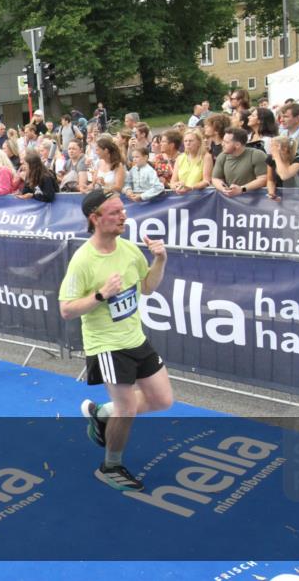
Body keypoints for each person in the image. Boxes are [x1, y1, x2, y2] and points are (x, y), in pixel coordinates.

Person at [60, 189, 173, 491]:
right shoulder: (83, 260)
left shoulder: (129, 250)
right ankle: (110, 466)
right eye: (114, 212)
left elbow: (148, 287)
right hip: (106, 345)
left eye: (122, 210)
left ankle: (102, 413)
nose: (123, 216)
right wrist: (100, 295)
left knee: (163, 400)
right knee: (127, 409)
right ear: (95, 218)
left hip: (135, 338)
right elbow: (67, 309)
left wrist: (159, 259)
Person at [211, 128, 268, 196]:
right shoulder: (222, 156)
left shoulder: (257, 155)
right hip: (230, 200)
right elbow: (216, 178)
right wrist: (224, 189)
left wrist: (242, 189)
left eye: (226, 142)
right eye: (223, 141)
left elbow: (264, 179)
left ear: (237, 145)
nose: (222, 144)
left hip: (254, 200)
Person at [265, 135, 299, 201]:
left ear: (285, 148)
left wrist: (277, 156)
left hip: (298, 196)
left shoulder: (298, 160)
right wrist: (272, 193)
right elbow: (270, 180)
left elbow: (284, 176)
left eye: (274, 146)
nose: (271, 150)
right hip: (280, 195)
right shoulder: (271, 159)